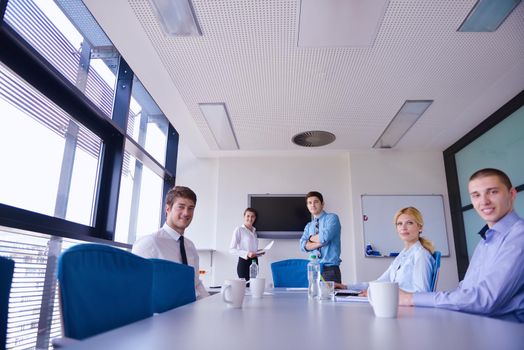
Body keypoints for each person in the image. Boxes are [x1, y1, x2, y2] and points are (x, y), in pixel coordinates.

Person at [399, 168, 524, 323]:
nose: (484, 201)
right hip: (475, 323)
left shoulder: (519, 236)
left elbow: (486, 299)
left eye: (493, 192)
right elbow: (465, 290)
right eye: (476, 195)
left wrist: (411, 299)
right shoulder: (486, 240)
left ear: (511, 194)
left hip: (506, 333)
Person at [132, 186, 209, 300]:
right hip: (162, 315)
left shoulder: (190, 246)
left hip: (190, 313)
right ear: (167, 209)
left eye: (191, 208)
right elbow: (136, 288)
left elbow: (196, 284)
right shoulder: (149, 243)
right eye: (181, 207)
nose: (186, 213)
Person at [339, 207, 435, 294]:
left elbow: (422, 293)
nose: (403, 227)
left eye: (409, 223)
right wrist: (347, 286)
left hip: (410, 310)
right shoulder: (403, 255)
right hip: (396, 306)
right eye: (399, 224)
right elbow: (380, 282)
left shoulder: (421, 255)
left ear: (420, 227)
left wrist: (379, 294)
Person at [300, 191, 342, 283]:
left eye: (316, 202)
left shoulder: (332, 218)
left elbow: (325, 237)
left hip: (330, 269)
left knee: (329, 297)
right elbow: (302, 246)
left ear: (322, 204)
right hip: (313, 269)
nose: (313, 205)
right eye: (309, 203)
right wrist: (319, 242)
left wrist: (310, 239)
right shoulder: (308, 226)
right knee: (313, 296)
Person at [229, 207, 264, 281]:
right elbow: (231, 249)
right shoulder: (239, 230)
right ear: (244, 216)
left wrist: (259, 252)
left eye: (252, 216)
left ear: (255, 218)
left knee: (253, 286)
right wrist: (247, 253)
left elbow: (251, 249)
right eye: (248, 216)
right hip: (244, 262)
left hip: (254, 262)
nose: (250, 218)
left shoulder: (254, 231)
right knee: (245, 288)